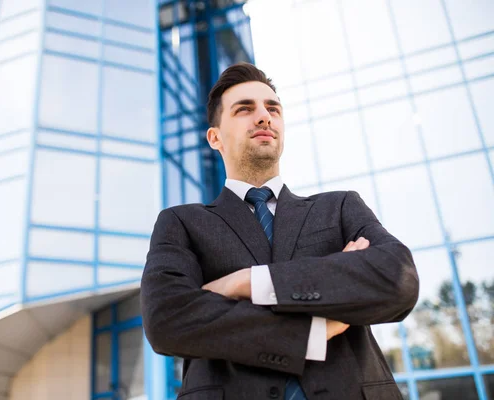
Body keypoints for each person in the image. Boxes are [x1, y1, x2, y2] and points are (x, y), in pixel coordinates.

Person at [140, 62, 419, 400]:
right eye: (245, 109)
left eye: (273, 108)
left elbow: (397, 278)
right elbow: (167, 319)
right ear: (215, 138)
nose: (263, 116)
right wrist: (315, 329)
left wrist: (245, 282)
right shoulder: (180, 222)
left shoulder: (340, 207)